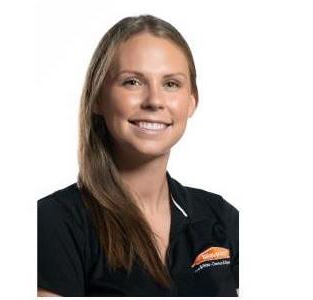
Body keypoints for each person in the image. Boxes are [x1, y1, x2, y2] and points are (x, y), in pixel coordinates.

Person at [37, 14, 239, 297]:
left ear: (192, 101)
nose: (154, 100)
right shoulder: (55, 222)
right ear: (98, 98)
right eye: (132, 82)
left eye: (171, 84)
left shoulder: (219, 216)